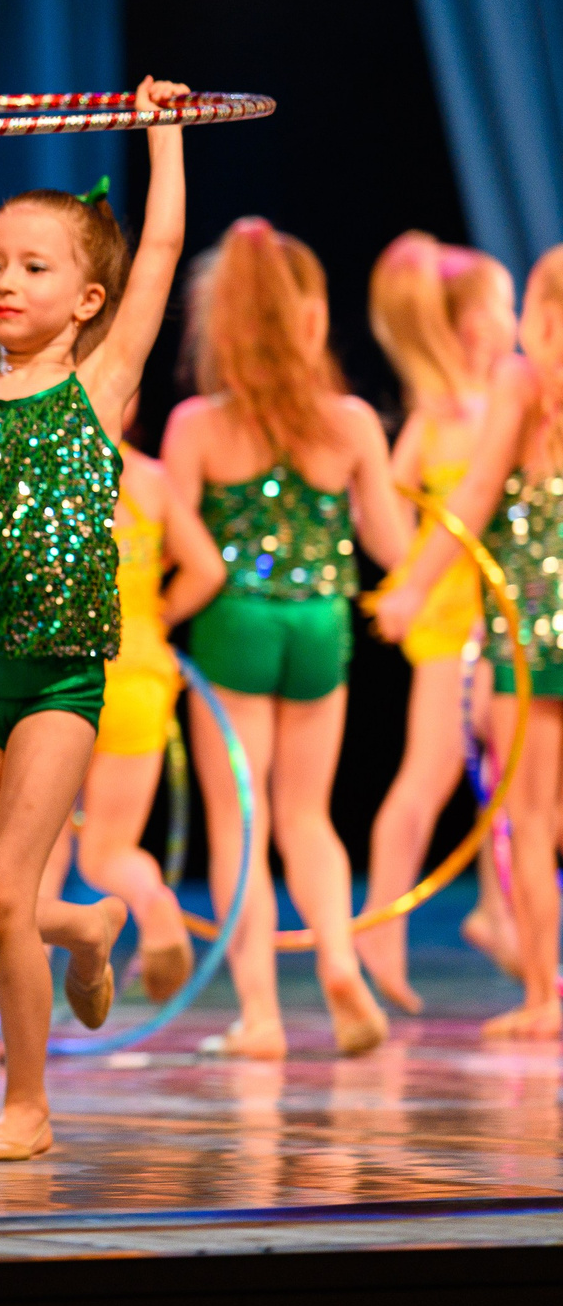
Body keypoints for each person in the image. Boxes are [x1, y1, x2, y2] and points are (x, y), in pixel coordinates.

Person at [0, 75, 190, 1163]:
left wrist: (159, 137)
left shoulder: (99, 386)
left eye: (33, 266)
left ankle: (28, 1106)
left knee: (6, 890)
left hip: (62, 681)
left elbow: (154, 256)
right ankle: (88, 921)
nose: (3, 280)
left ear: (86, 300)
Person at [163, 219, 409, 1061]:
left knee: (241, 820)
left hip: (237, 623)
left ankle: (261, 1016)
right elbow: (392, 545)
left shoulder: (197, 426)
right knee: (309, 817)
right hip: (319, 625)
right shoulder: (350, 423)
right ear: (311, 320)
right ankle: (340, 961)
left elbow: (177, 541)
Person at [375, 243, 563, 1040]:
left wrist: (414, 583)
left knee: (527, 807)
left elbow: (482, 492)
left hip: (527, 625)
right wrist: (415, 580)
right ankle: (533, 978)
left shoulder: (519, 383)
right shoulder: (483, 399)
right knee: (522, 806)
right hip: (502, 629)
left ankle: (539, 989)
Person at [361, 233, 520, 1009]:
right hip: (452, 617)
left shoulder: (504, 401)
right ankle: (381, 936)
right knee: (427, 777)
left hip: (503, 616)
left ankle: (498, 911)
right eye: (500, 307)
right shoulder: (445, 411)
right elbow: (383, 497)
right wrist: (409, 577)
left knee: (508, 767)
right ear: (465, 324)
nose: (511, 319)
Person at [77, 383, 224, 999]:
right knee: (109, 851)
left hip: (64, 677)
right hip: (140, 675)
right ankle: (153, 902)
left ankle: (22, 1008)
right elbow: (209, 569)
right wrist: (155, 617)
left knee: (32, 857)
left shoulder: (48, 477)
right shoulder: (152, 481)